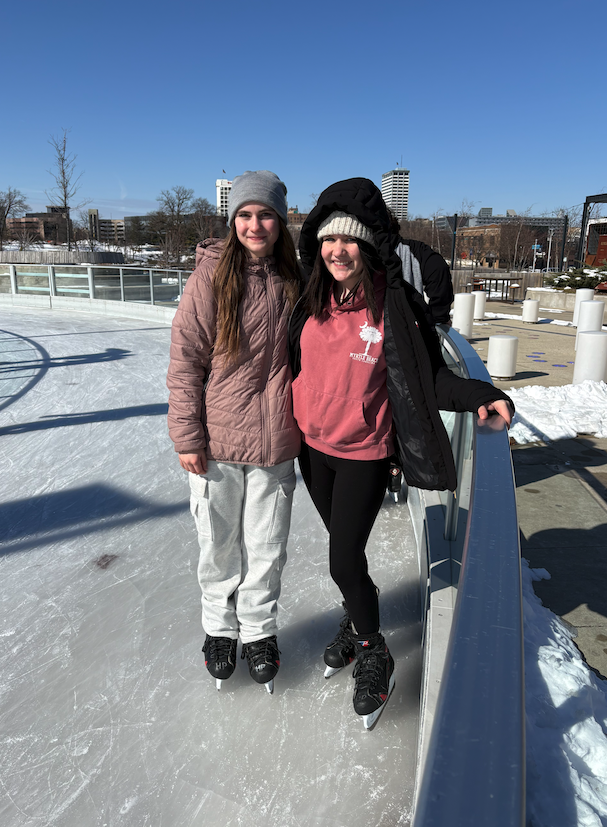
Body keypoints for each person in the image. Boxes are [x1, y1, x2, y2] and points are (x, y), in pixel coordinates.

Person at [291, 177, 513, 728]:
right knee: (346, 556)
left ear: (367, 247)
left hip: (364, 452)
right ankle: (355, 614)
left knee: (342, 559)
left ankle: (374, 649)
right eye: (328, 241)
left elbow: (430, 378)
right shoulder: (310, 296)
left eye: (349, 242)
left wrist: (482, 393)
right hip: (312, 450)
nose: (337, 251)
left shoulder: (393, 305)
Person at [167, 170, 302, 693]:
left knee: (267, 547)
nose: (254, 224)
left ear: (280, 221)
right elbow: (185, 364)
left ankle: (260, 631)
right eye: (244, 214)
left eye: (264, 214)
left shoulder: (296, 277)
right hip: (217, 444)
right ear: (232, 220)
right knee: (218, 545)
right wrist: (188, 438)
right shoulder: (209, 278)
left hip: (276, 442)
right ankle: (220, 631)